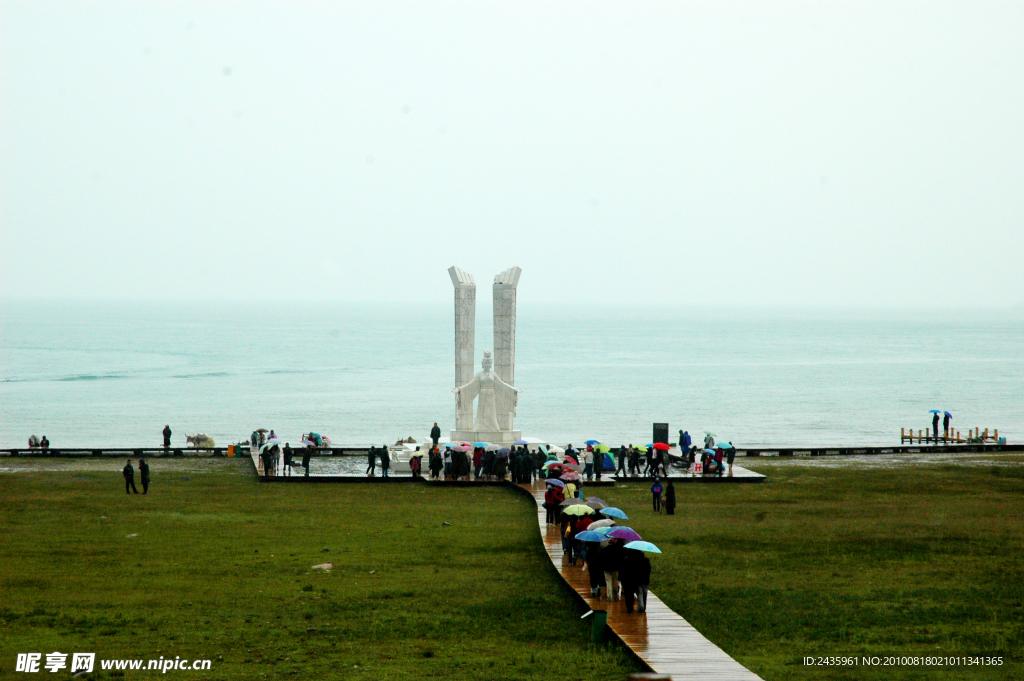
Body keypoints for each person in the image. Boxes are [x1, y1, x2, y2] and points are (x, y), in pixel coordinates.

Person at [620, 548, 651, 614]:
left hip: (626, 580)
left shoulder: (626, 560)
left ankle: (629, 608)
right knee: (640, 594)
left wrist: (621, 579)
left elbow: (622, 571)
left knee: (628, 595)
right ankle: (642, 607)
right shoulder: (642, 561)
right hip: (636, 581)